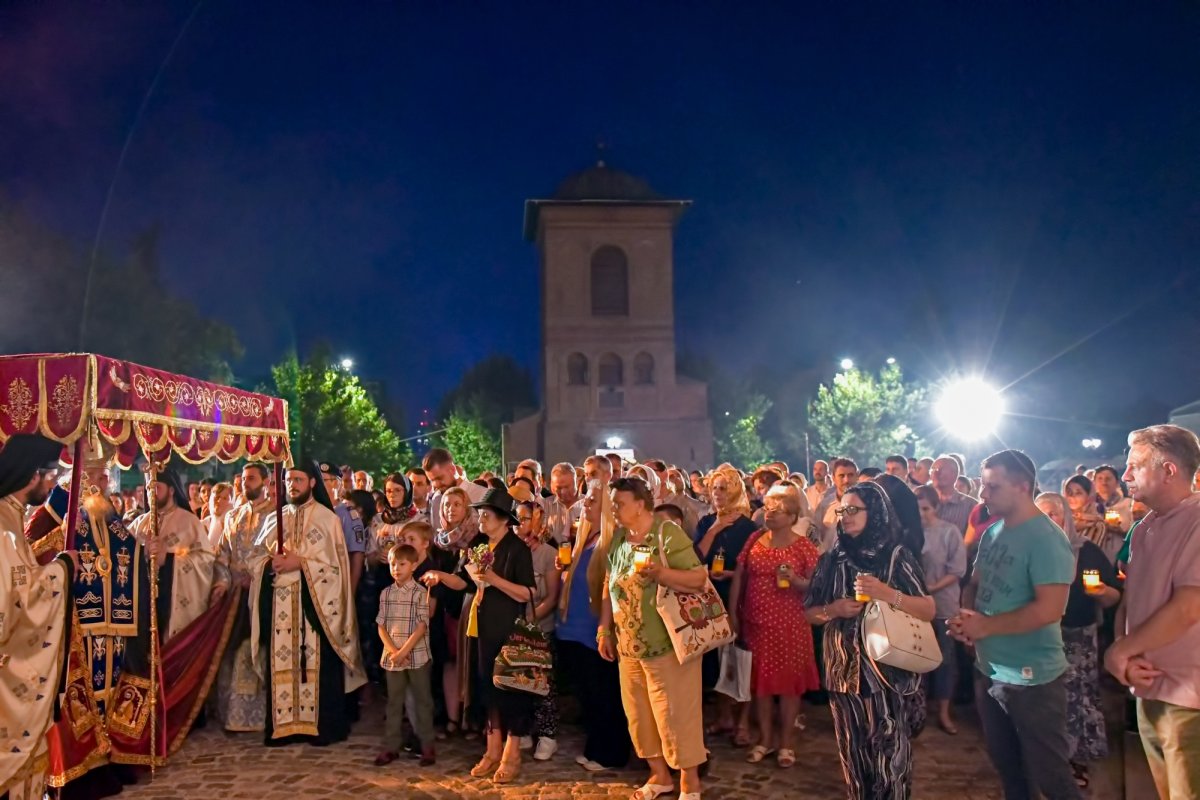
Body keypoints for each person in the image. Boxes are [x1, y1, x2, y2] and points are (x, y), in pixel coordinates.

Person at [949, 450, 1080, 800]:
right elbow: (975, 585)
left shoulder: (1046, 539)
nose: (983, 494)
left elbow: (1050, 609)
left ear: (1022, 487)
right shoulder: (993, 533)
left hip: (1033, 678)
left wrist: (985, 628)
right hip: (990, 668)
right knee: (1009, 771)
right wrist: (967, 618)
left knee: (1051, 778)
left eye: (992, 486)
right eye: (982, 485)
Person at [804, 481, 935, 799]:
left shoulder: (896, 555)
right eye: (842, 509)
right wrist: (832, 609)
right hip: (843, 672)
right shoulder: (832, 558)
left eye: (854, 509)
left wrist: (887, 594)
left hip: (886, 671)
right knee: (854, 756)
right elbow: (809, 612)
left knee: (890, 758)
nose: (846, 516)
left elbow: (928, 609)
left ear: (874, 512)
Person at [1105, 425, 1200, 799]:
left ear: (1169, 470)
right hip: (1146, 686)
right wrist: (1122, 653)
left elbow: (1189, 606)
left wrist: (1120, 651)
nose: (1125, 475)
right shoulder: (1144, 528)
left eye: (1135, 466)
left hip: (1188, 696)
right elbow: (1132, 601)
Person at [599, 476, 708, 800]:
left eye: (620, 503)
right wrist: (605, 629)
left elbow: (699, 577)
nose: (615, 509)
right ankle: (659, 775)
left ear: (640, 504)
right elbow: (609, 586)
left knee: (675, 714)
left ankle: (690, 782)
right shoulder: (620, 538)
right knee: (639, 715)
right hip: (629, 644)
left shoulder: (666, 533)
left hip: (667, 643)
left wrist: (662, 573)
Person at [421, 487, 535, 785]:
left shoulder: (517, 549)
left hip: (508, 627)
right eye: (480, 514)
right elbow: (464, 581)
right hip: (480, 627)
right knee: (486, 686)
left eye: (486, 515)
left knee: (510, 689)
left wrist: (495, 580)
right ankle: (492, 748)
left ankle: (512, 752)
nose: (480, 519)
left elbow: (528, 592)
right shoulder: (479, 544)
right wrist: (442, 577)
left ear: (502, 519)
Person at [249, 460, 366, 746]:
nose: (293, 485)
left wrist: (301, 563)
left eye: (299, 480)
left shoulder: (327, 520)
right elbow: (254, 559)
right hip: (280, 608)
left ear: (312, 482)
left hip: (316, 610)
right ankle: (283, 728)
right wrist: (269, 563)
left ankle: (322, 728)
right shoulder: (274, 519)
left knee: (317, 666)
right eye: (289, 480)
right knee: (281, 664)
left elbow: (336, 569)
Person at [0, 435, 74, 800]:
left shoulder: (13, 516)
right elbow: (17, 600)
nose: (54, 485)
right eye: (53, 477)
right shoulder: (2, 526)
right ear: (34, 476)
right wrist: (63, 569)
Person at [730, 483, 820, 769]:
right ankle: (764, 739)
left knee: (789, 688)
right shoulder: (755, 539)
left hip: (791, 624)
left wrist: (797, 581)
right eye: (767, 509)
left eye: (778, 510)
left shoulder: (804, 546)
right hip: (756, 624)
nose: (770, 514)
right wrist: (733, 613)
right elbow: (740, 577)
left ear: (793, 516)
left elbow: (817, 589)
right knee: (761, 686)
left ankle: (786, 743)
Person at [1034, 492, 1120, 790]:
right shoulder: (1026, 550)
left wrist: (1101, 593)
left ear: (1065, 518)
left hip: (1076, 637)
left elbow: (1114, 596)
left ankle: (1074, 762)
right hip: (1038, 637)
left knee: (1073, 700)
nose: (1047, 521)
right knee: (1042, 702)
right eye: (1041, 514)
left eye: (1053, 514)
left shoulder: (1087, 552)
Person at [557, 479, 633, 772]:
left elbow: (610, 588)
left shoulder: (614, 540)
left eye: (591, 501)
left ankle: (610, 752)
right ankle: (596, 746)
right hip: (573, 627)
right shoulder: (586, 535)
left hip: (594, 629)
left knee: (604, 692)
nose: (584, 505)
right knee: (587, 692)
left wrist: (605, 629)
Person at [693, 464, 758, 742]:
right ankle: (723, 717)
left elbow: (754, 565)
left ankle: (743, 722)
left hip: (739, 593)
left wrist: (733, 573)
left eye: (723, 488)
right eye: (714, 488)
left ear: (734, 490)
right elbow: (695, 558)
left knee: (741, 658)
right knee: (717, 661)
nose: (717, 493)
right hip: (709, 595)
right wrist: (715, 528)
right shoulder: (706, 522)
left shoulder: (748, 526)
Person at [211, 462, 274, 732]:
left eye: (251, 478)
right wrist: (223, 582)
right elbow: (223, 554)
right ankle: (232, 714)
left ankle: (259, 716)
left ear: (266, 482)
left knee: (254, 650)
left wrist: (256, 576)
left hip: (263, 595)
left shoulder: (276, 515)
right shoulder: (233, 516)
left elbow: (275, 554)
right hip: (236, 595)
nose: (245, 483)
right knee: (230, 650)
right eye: (243, 479)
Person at [374, 544, 436, 767]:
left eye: (402, 564)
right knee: (394, 702)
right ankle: (391, 746)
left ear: (414, 565)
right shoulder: (386, 593)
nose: (396, 569)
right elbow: (381, 625)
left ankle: (427, 744)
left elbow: (421, 626)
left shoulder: (420, 593)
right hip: (393, 658)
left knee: (422, 700)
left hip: (416, 655)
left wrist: (404, 652)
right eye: (393, 564)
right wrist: (394, 652)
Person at [914, 485, 967, 735]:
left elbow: (957, 570)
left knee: (945, 659)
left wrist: (932, 586)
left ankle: (944, 711)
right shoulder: (910, 533)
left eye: (926, 508)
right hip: (916, 605)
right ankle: (918, 709)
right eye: (917, 509)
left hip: (944, 603)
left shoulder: (949, 532)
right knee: (917, 656)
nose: (922, 513)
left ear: (935, 507)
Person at [515, 500, 562, 761]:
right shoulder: (509, 551)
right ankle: (522, 730)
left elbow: (552, 597)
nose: (520, 524)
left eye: (525, 518)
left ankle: (547, 735)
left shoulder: (548, 554)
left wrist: (530, 620)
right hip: (514, 626)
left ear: (537, 521)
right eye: (517, 519)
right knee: (518, 681)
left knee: (543, 683)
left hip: (540, 627)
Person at [321, 462, 367, 592]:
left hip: (338, 585)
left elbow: (356, 556)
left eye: (323, 480)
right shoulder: (311, 512)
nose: (318, 485)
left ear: (336, 483)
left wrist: (350, 593)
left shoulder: (349, 515)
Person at [1064, 474, 1123, 564]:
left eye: (1078, 493)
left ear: (1089, 496)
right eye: (1069, 492)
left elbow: (1089, 555)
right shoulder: (1059, 517)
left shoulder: (1096, 524)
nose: (1072, 497)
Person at [423, 448, 487, 531]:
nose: (436, 485)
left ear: (452, 469)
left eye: (439, 478)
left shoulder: (482, 494)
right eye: (432, 480)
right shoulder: (437, 499)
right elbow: (437, 535)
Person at [815, 458, 859, 551]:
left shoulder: (866, 504)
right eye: (841, 476)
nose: (846, 480)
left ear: (857, 476)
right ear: (834, 478)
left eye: (850, 475)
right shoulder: (825, 505)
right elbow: (816, 535)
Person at [931, 457, 976, 536]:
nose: (935, 474)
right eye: (933, 470)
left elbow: (973, 541)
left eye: (939, 470)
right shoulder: (921, 498)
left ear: (954, 474)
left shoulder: (971, 505)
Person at [205, 481, 235, 552]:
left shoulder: (233, 522)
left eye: (225, 498)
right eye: (217, 497)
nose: (219, 501)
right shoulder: (205, 523)